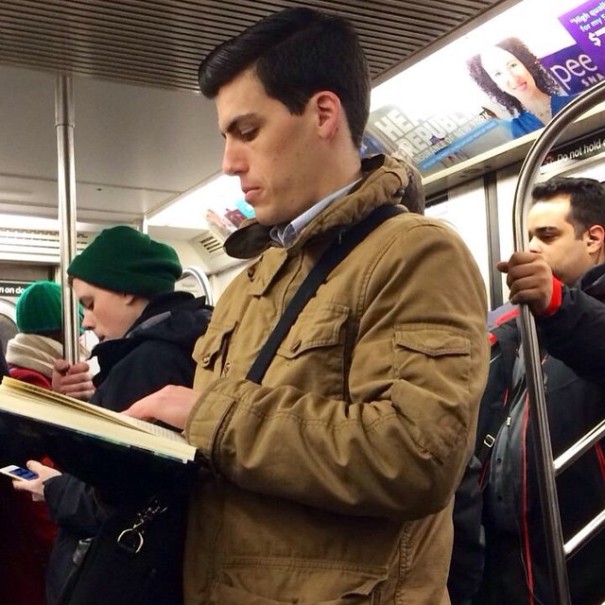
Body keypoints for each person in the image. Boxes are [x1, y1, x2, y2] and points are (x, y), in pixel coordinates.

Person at [125, 8, 489, 605]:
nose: (229, 162)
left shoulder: (415, 255)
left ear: (323, 114)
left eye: (247, 132)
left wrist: (206, 415)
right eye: (225, 138)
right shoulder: (255, 278)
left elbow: (416, 455)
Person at [12, 226, 212, 605]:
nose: (85, 321)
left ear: (126, 289)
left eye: (89, 303)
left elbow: (115, 491)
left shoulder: (149, 363)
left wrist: (52, 488)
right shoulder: (183, 346)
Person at [475, 176, 605, 605]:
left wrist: (557, 304)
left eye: (547, 235)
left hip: (583, 552)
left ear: (594, 238)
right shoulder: (509, 322)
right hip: (507, 558)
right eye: (529, 235)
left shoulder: (576, 314)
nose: (531, 247)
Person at [0, 281, 82, 605]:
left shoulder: (25, 381)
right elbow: (36, 498)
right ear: (62, 333)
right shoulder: (32, 390)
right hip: (33, 570)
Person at [467, 37, 576, 138]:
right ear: (495, 85)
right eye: (498, 74)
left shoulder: (575, 102)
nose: (513, 78)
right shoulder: (517, 129)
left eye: (513, 65)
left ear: (527, 65)